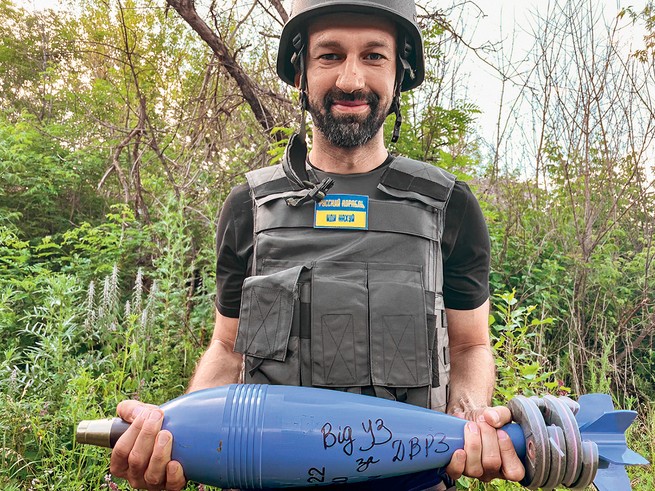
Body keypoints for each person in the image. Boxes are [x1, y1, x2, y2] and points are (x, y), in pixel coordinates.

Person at [109, 1, 525, 490]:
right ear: (301, 74)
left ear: (399, 73)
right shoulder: (249, 208)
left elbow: (470, 344)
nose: (351, 81)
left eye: (374, 56)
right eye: (329, 56)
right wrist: (179, 442)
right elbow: (226, 347)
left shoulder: (448, 208)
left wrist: (468, 419)